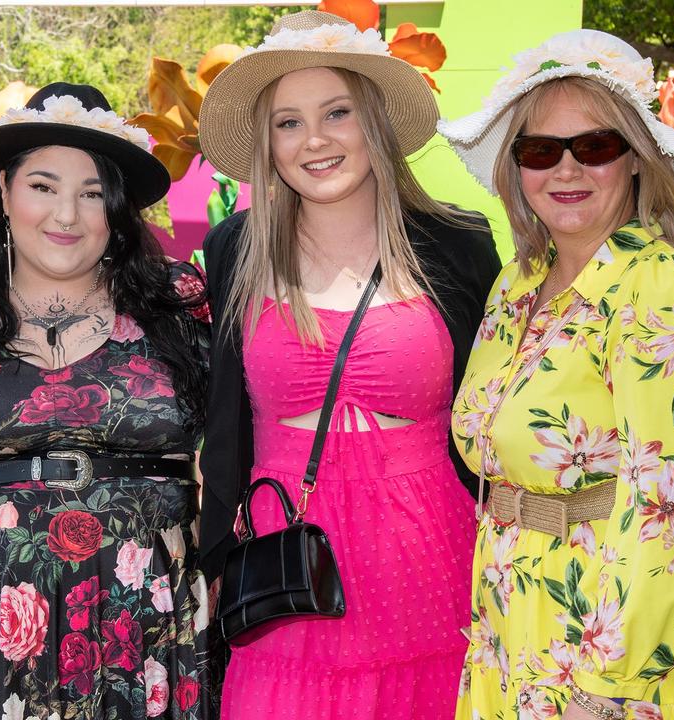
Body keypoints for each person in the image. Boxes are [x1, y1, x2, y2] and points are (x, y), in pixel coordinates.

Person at [439, 30, 674, 719]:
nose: (566, 171)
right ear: (516, 169)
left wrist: (608, 683)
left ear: (637, 161)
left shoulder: (667, 286)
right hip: (517, 620)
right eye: (540, 151)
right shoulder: (519, 283)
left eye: (594, 146)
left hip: (619, 649)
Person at [197, 11, 501, 719]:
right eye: (289, 122)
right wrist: (214, 557)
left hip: (433, 551)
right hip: (284, 562)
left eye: (336, 112)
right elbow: (225, 421)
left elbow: (492, 405)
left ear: (374, 122)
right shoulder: (235, 248)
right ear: (268, 144)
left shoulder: (456, 243)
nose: (316, 140)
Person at [0, 83, 214, 720]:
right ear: (4, 193)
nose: (66, 214)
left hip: (141, 609)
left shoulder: (181, 303)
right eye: (43, 186)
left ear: (117, 212)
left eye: (92, 194)